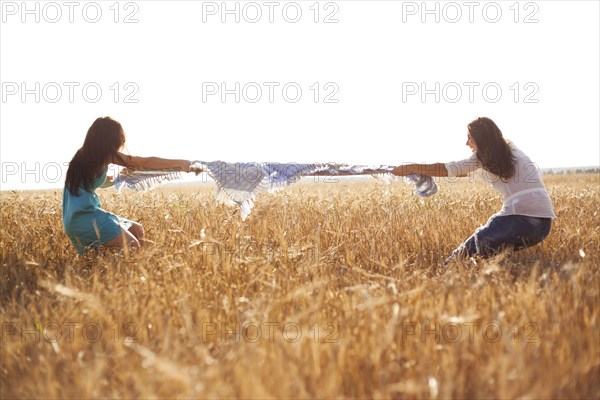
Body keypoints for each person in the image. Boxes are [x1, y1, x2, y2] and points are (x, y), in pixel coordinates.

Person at [392, 117, 556, 261]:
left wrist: (411, 167)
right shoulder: (511, 151)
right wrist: (422, 171)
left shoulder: (482, 156)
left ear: (481, 139)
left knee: (460, 258)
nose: (466, 142)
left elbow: (451, 168)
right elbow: (461, 171)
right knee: (489, 256)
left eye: (469, 137)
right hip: (543, 227)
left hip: (518, 219)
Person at [63, 117, 192, 254]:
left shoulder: (87, 156)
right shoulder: (104, 155)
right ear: (109, 138)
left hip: (82, 215)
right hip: (84, 217)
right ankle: (117, 273)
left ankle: (136, 268)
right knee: (132, 245)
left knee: (137, 229)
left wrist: (119, 177)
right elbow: (144, 162)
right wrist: (180, 163)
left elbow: (101, 182)